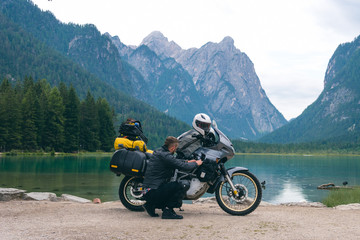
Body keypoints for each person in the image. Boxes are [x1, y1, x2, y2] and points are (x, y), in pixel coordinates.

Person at [142, 136, 202, 219]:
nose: (176, 150)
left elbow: (174, 161)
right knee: (182, 185)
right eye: (176, 148)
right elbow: (183, 166)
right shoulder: (165, 155)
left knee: (168, 185)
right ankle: (168, 211)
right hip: (154, 191)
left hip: (148, 192)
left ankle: (150, 205)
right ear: (173, 147)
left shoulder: (160, 152)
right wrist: (196, 163)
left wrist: (187, 161)